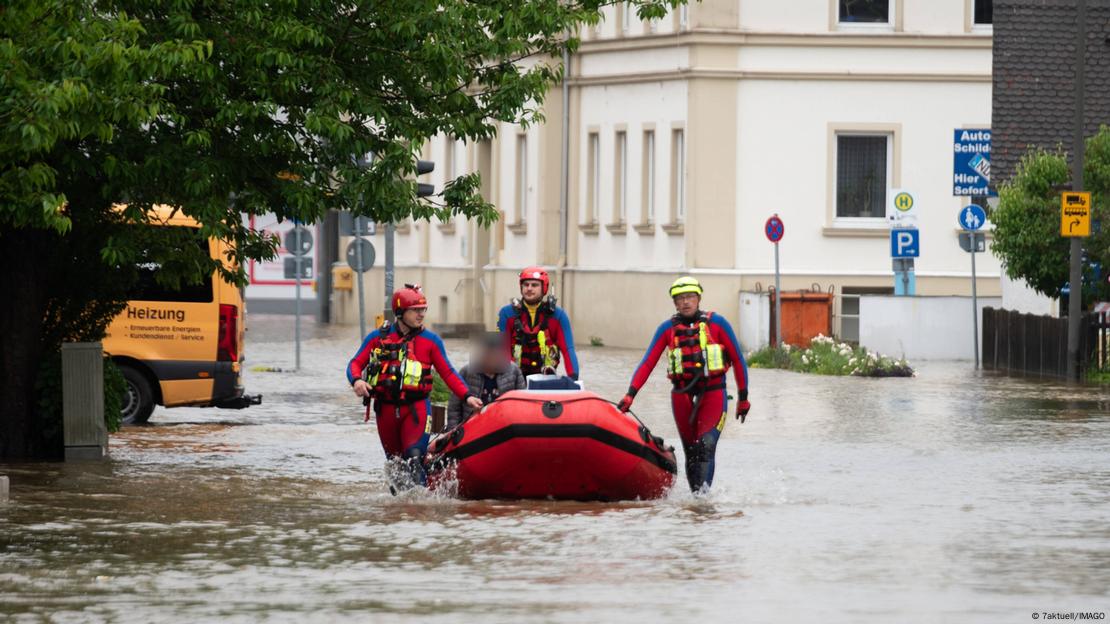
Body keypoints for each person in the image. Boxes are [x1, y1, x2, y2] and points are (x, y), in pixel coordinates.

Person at [617, 276, 751, 493]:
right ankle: (695, 502)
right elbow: (647, 363)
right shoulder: (666, 329)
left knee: (705, 446)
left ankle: (702, 502)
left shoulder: (718, 324)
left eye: (689, 297)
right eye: (680, 299)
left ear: (698, 299)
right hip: (681, 394)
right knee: (691, 451)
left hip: (713, 392)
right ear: (675, 303)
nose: (685, 302)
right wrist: (630, 394)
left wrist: (743, 399)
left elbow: (738, 360)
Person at [346, 284, 482, 490]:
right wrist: (357, 380)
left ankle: (421, 509)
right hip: (386, 411)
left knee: (414, 459)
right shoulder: (377, 338)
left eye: (423, 310)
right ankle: (400, 512)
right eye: (416, 310)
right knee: (395, 465)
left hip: (417, 409)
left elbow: (448, 372)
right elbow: (355, 363)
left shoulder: (431, 341)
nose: (421, 315)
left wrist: (467, 396)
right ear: (400, 312)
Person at [497, 266, 579, 380]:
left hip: (546, 377)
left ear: (544, 288)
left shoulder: (559, 316)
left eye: (534, 285)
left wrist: (573, 378)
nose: (529, 288)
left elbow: (568, 350)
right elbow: (501, 348)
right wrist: (509, 378)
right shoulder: (506, 313)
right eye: (526, 285)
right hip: (514, 378)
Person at [446, 332, 527, 430]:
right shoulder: (466, 372)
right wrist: (453, 431)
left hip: (503, 428)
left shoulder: (514, 371)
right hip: (471, 429)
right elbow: (454, 407)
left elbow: (522, 405)